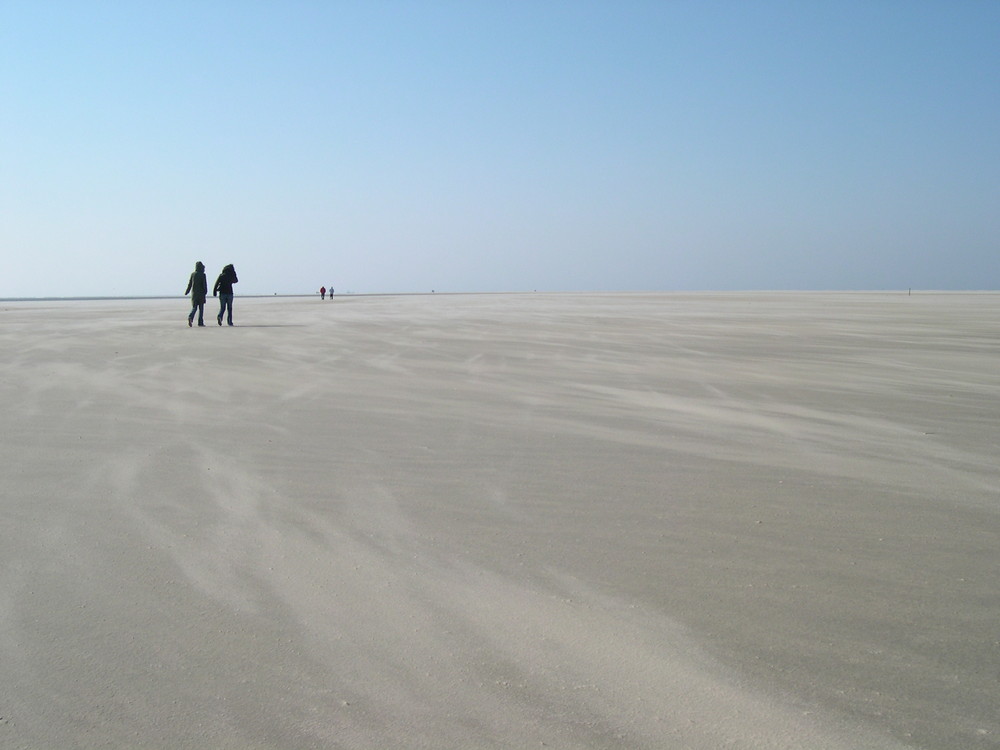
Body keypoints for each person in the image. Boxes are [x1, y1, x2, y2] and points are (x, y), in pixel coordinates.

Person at [185, 261, 208, 327]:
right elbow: (204, 284)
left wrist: (187, 291)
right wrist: (205, 291)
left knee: (194, 307)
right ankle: (200, 322)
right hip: (201, 294)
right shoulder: (203, 275)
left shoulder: (193, 274)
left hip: (194, 294)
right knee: (201, 309)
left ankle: (190, 317)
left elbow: (190, 284)